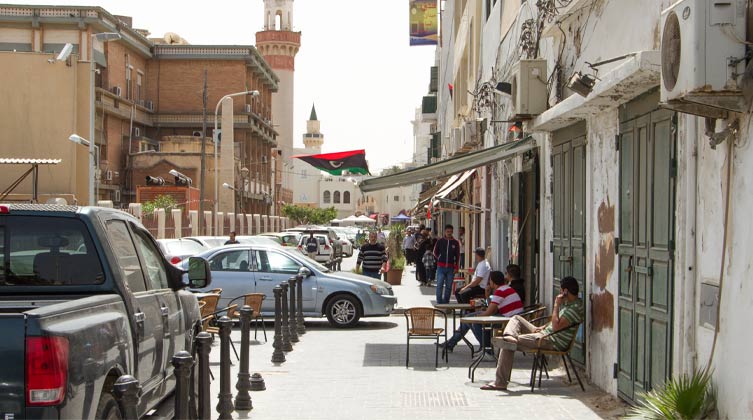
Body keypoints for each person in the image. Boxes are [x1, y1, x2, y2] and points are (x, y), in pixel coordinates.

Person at [481, 276, 584, 391]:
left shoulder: (574, 308)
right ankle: (510, 336)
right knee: (516, 319)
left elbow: (556, 327)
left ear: (565, 291)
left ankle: (500, 382)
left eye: (561, 290)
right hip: (544, 333)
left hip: (549, 340)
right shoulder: (571, 304)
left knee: (507, 344)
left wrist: (556, 305)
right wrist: (544, 326)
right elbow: (555, 323)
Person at [439, 271, 524, 352]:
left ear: (493, 282)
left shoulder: (500, 291)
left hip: (509, 320)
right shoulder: (506, 288)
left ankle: (487, 350)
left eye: (490, 280)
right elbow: (493, 310)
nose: (489, 282)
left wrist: (476, 317)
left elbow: (488, 313)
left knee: (475, 322)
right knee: (469, 318)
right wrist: (487, 296)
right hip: (512, 318)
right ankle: (452, 344)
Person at [433, 224, 461, 304]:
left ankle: (446, 302)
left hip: (451, 268)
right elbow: (435, 252)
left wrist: (456, 267)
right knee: (439, 285)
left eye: (451, 232)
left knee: (449, 286)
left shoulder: (455, 243)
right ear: (445, 232)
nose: (449, 233)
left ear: (452, 232)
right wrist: (439, 259)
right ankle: (439, 302)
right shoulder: (440, 241)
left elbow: (458, 256)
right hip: (441, 268)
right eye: (447, 231)